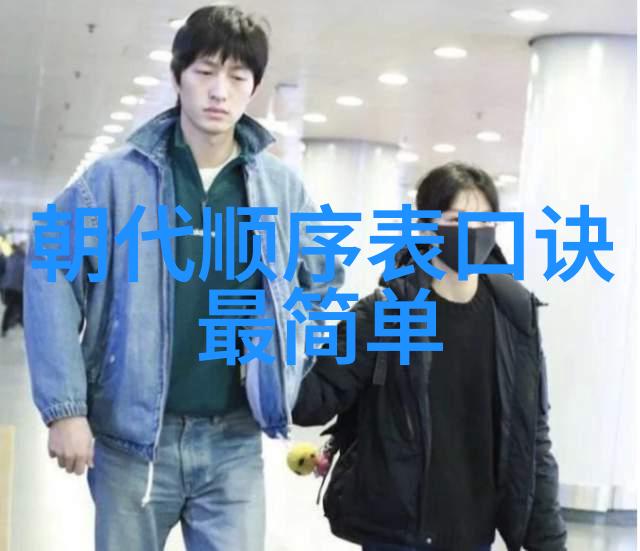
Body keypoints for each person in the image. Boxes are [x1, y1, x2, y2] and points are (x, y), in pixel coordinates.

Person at [24, 5, 342, 551]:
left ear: (253, 88)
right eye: (205, 72)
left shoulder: (279, 188)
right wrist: (65, 409)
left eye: (237, 77)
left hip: (234, 439)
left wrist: (283, 361)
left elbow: (322, 277)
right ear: (177, 77)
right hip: (133, 439)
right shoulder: (115, 180)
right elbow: (51, 274)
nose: (220, 91)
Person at [293, 162, 567, 551]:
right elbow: (312, 400)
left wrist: (550, 542)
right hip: (397, 535)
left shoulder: (514, 317)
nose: (472, 232)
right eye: (456, 220)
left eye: (485, 221)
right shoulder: (386, 312)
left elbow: (532, 438)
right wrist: (272, 338)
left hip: (475, 533)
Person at [1, 242, 25, 336]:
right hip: (17, 288)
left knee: (12, 307)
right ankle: (12, 325)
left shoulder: (11, 258)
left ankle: (7, 326)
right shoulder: (24, 260)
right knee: (19, 307)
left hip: (9, 287)